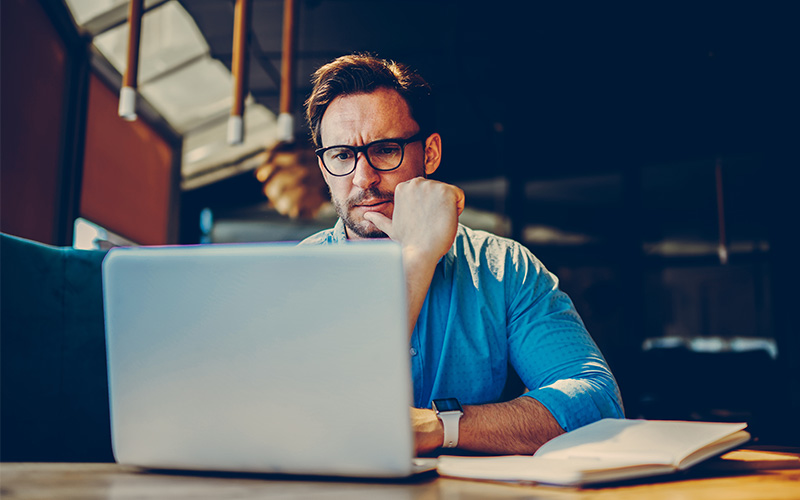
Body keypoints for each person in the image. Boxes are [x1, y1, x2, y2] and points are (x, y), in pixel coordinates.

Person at [299, 53, 624, 456]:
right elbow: (310, 422)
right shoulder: (294, 278)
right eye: (342, 155)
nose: (363, 178)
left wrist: (443, 426)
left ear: (430, 154)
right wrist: (416, 257)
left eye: (385, 149)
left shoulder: (505, 269)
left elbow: (597, 402)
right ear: (324, 165)